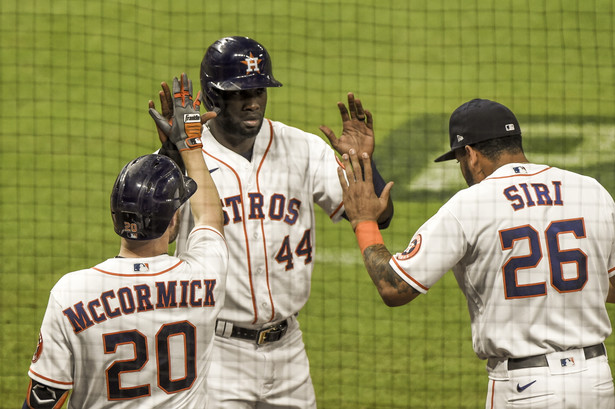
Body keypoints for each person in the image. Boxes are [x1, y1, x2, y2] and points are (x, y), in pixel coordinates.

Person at [148, 36, 393, 408]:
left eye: (259, 89)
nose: (253, 101)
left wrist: (362, 161)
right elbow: (150, 240)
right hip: (216, 353)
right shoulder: (188, 156)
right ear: (212, 97)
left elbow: (380, 215)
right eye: (239, 92)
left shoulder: (302, 148)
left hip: (289, 351)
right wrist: (172, 157)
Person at [336, 98, 615, 408]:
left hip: (525, 389)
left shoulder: (469, 205)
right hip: (597, 381)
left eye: (458, 160)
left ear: (470, 155)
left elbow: (394, 287)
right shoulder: (590, 190)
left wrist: (364, 222)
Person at [24, 74, 228, 408]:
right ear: (173, 217)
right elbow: (209, 217)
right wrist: (189, 144)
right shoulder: (205, 277)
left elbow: (45, 398)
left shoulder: (70, 292)